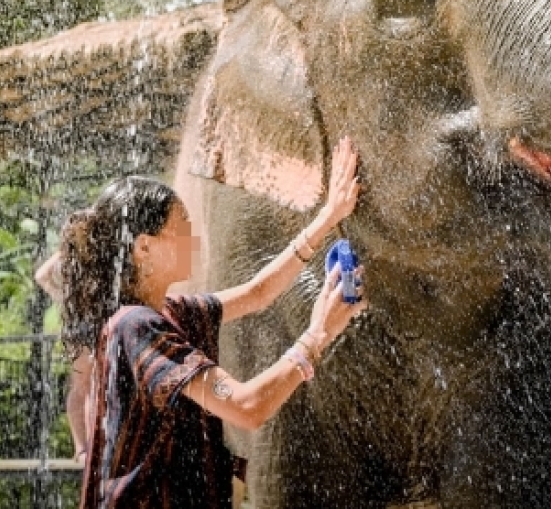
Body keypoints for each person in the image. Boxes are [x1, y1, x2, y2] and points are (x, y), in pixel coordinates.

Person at [63, 137, 366, 509]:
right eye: (183, 228)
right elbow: (246, 405)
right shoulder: (136, 327)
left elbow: (258, 292)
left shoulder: (172, 312)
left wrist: (329, 216)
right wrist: (316, 335)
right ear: (144, 248)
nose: (196, 239)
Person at [34, 233, 94, 465]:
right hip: (81, 326)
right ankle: (83, 448)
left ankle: (88, 448)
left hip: (86, 323)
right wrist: (62, 298)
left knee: (89, 386)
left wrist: (62, 298)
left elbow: (41, 276)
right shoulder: (69, 255)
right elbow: (40, 276)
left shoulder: (85, 254)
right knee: (84, 386)